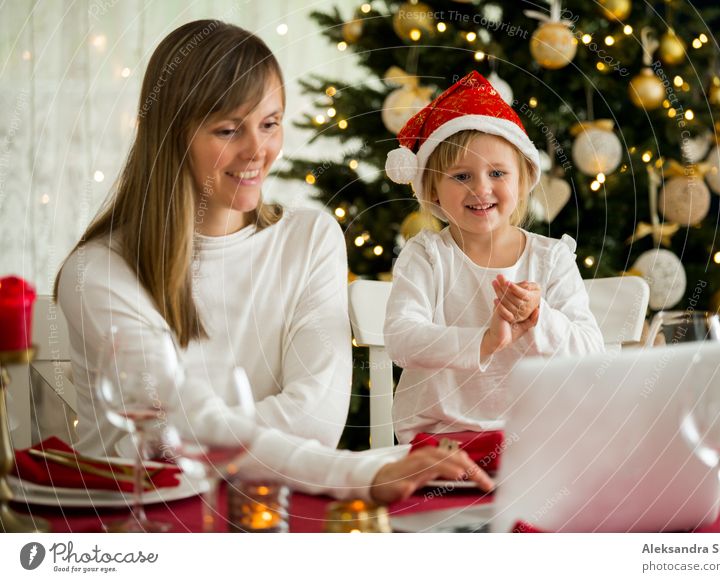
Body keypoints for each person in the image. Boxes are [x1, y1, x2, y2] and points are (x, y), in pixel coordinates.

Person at [55, 20, 491, 503]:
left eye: (270, 123)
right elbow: (167, 434)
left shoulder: (308, 238)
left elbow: (318, 421)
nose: (258, 151)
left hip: (268, 510)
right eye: (227, 129)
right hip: (137, 528)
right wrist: (358, 473)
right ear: (169, 135)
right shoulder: (97, 272)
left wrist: (212, 434)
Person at [383, 71, 605, 443]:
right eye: (461, 176)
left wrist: (539, 317)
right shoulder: (427, 256)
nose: (481, 188)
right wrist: (484, 342)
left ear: (521, 183)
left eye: (498, 172)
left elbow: (589, 350)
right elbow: (402, 338)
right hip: (440, 437)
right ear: (433, 191)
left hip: (538, 438)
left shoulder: (551, 259)